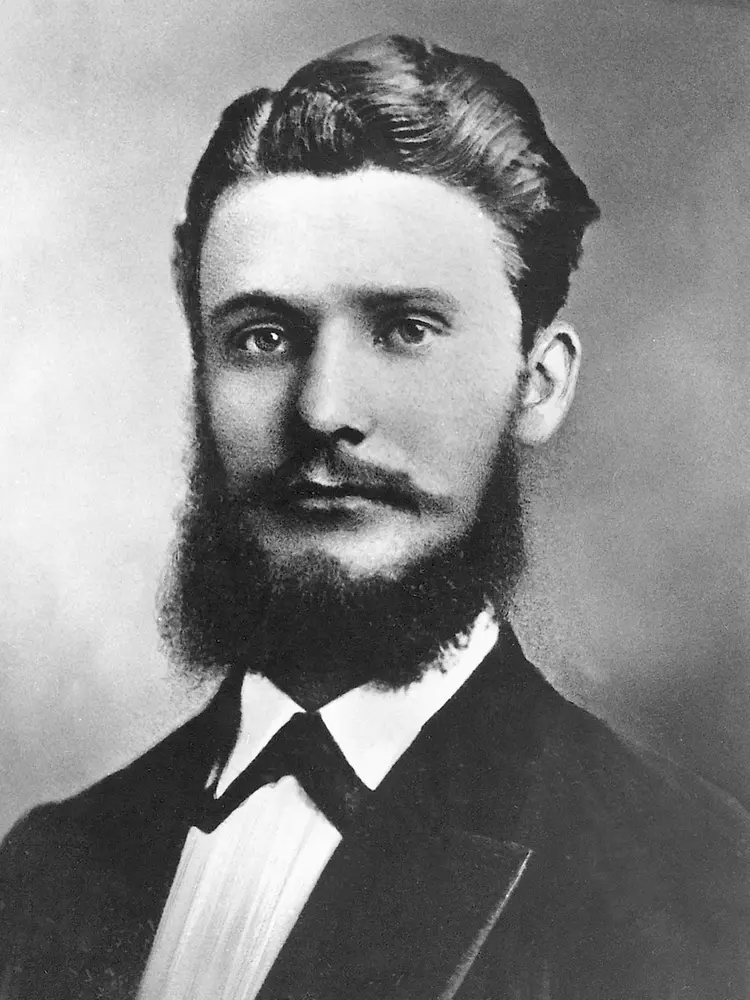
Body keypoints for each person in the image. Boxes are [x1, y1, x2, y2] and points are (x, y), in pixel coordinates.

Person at [0, 33, 747, 1000]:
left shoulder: (693, 879)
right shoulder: (46, 864)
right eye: (262, 336)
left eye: (405, 329)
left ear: (539, 381)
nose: (322, 410)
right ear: (201, 374)